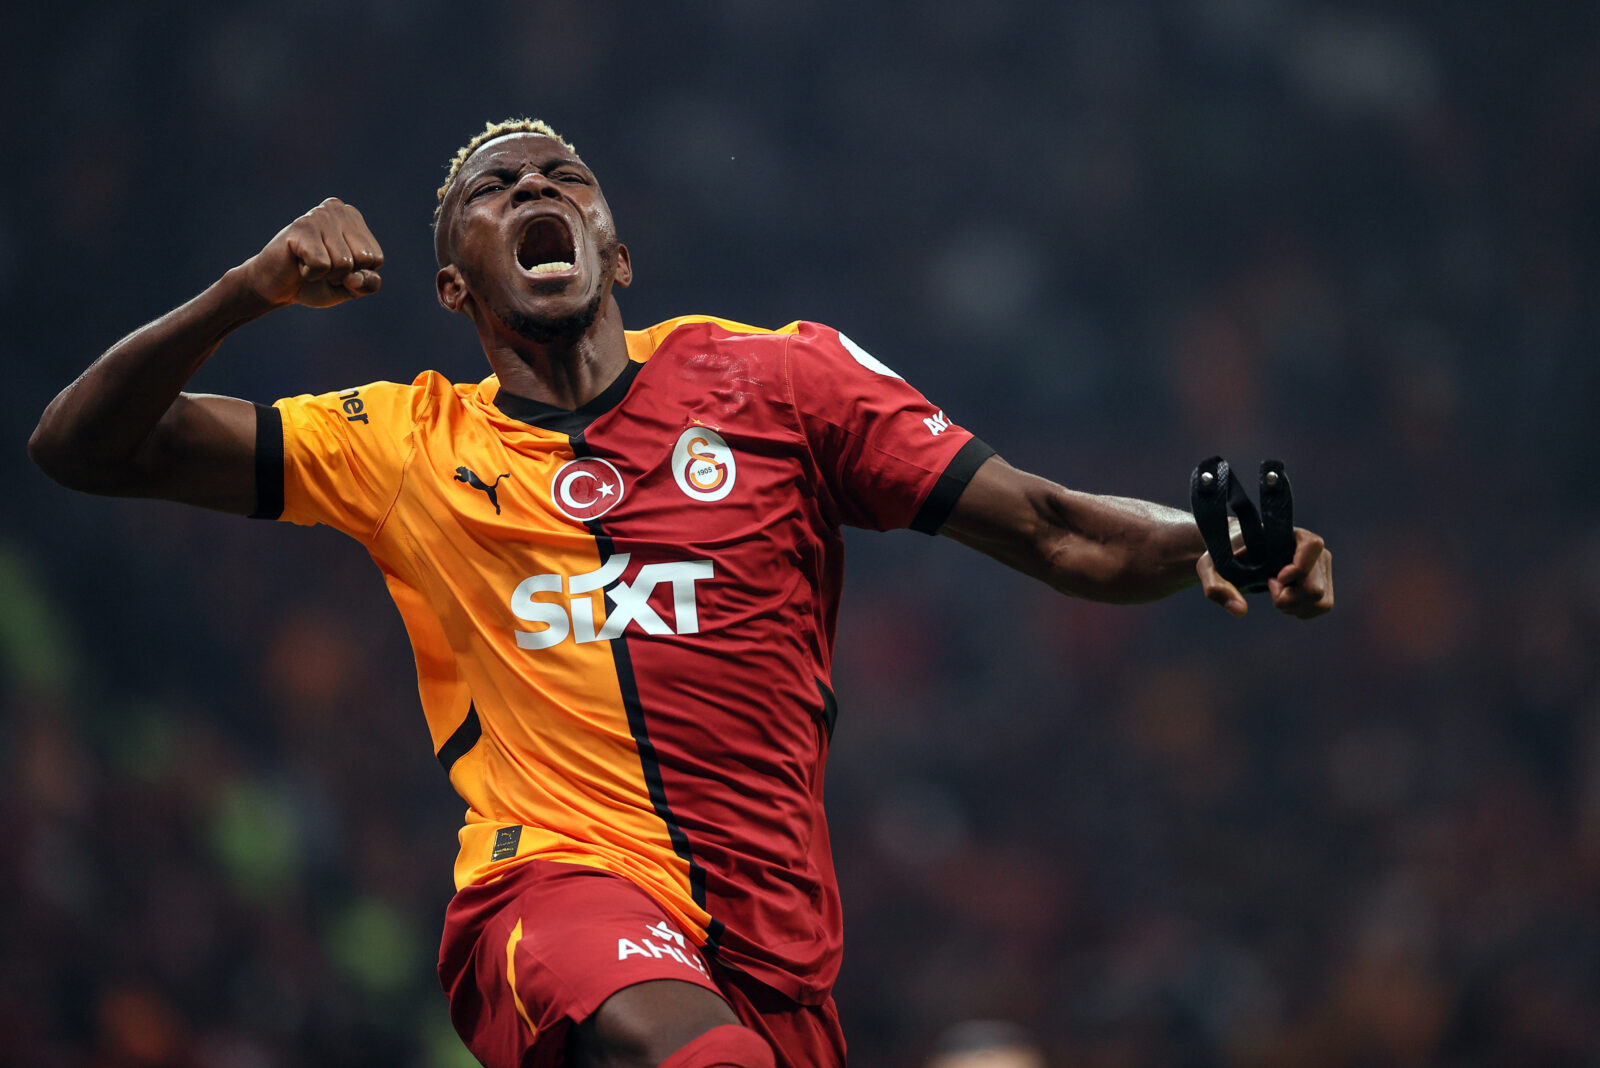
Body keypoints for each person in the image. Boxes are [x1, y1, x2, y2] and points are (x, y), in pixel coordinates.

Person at [29, 117, 1334, 1068]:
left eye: (565, 177)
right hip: (549, 895)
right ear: (454, 284)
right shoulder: (400, 441)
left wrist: (1207, 541)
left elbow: (1061, 531)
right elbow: (82, 447)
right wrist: (244, 294)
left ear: (616, 248)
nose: (536, 182)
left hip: (772, 954)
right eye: (496, 188)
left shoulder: (781, 383)